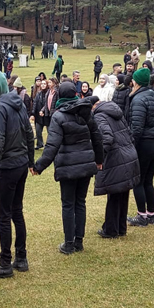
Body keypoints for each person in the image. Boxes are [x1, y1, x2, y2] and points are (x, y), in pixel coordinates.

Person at [33, 83, 103, 254]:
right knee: (80, 202)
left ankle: (70, 243)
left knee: (68, 204)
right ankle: (78, 241)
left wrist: (39, 166)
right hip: (85, 164)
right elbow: (97, 137)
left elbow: (52, 146)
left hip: (69, 167)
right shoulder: (86, 112)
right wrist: (99, 160)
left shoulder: (59, 116)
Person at [0, 71, 34, 277]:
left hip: (8, 166)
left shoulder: (0, 108)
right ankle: (21, 257)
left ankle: (5, 262)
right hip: (20, 165)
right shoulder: (17, 103)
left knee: (4, 215)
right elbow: (29, 133)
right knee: (17, 211)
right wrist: (30, 161)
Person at [92, 101, 140, 238]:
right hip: (129, 154)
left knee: (114, 194)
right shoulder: (116, 113)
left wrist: (99, 158)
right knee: (123, 193)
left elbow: (107, 138)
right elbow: (129, 134)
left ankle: (111, 230)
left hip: (117, 157)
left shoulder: (99, 117)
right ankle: (120, 227)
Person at [126, 68, 154, 226]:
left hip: (145, 143)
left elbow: (136, 128)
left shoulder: (138, 99)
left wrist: (132, 147)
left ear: (137, 82)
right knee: (148, 181)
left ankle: (142, 216)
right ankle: (151, 215)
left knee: (139, 181)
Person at [32, 80, 49, 149]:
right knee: (38, 131)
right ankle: (40, 143)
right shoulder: (38, 94)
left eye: (44, 84)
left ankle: (49, 144)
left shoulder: (49, 93)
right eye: (42, 84)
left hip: (47, 115)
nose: (43, 85)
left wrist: (43, 111)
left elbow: (47, 104)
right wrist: (33, 113)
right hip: (39, 116)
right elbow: (35, 103)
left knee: (50, 131)